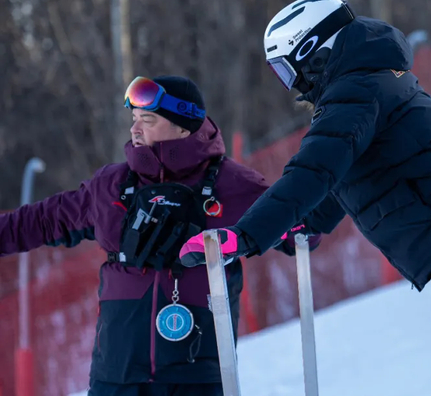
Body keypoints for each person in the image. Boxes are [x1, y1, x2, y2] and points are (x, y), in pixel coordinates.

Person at [180, 0, 431, 396]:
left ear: (312, 53)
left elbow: (313, 171)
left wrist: (246, 235)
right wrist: (306, 223)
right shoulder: (369, 80)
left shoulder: (356, 91)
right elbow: (345, 171)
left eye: (286, 69)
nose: (291, 84)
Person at [0, 75, 270, 396]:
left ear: (184, 128)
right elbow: (41, 221)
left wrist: (299, 225)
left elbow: (297, 221)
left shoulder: (235, 185)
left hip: (198, 378)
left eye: (148, 120)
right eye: (134, 119)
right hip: (116, 377)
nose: (135, 129)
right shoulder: (111, 185)